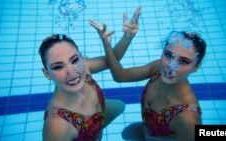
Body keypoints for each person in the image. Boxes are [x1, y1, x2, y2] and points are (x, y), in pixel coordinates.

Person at [39, 6, 141, 141]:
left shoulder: (84, 66)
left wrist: (125, 38)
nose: (72, 71)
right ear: (46, 73)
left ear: (81, 57)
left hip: (99, 116)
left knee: (120, 105)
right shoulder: (57, 126)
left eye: (74, 60)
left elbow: (112, 59)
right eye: (58, 67)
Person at [94, 25, 206, 141]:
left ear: (196, 67)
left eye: (183, 61)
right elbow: (120, 76)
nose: (171, 66)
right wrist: (107, 45)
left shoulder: (187, 118)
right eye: (168, 55)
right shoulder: (158, 68)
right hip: (147, 131)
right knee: (127, 133)